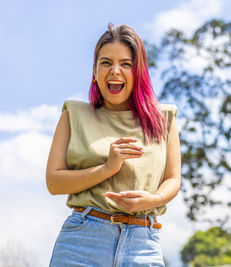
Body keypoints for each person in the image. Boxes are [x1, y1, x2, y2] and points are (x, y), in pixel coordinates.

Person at [46, 23, 181, 266]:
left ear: (138, 71)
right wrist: (107, 168)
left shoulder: (164, 118)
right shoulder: (73, 114)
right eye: (106, 62)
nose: (115, 71)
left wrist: (154, 199)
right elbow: (54, 183)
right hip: (81, 243)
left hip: (143, 244)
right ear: (94, 70)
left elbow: (173, 179)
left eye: (126, 64)